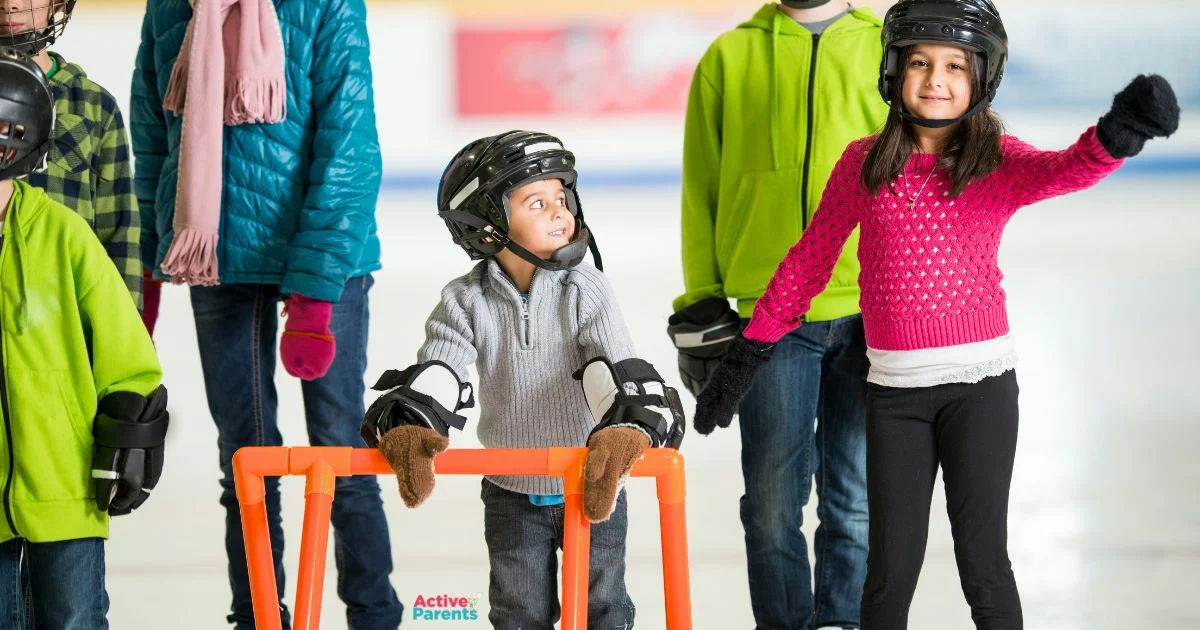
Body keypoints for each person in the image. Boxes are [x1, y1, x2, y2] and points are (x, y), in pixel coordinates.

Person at [694, 1, 1179, 628]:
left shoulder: (995, 159)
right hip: (894, 397)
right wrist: (750, 352)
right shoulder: (864, 162)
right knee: (889, 572)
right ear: (894, 70)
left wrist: (1117, 134)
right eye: (920, 63)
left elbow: (1063, 171)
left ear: (982, 77)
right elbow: (808, 262)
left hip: (980, 393)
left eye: (955, 66)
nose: (935, 80)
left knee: (984, 565)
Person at [130, 0, 403, 626]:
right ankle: (257, 615)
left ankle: (373, 615)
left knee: (340, 449)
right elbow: (152, 141)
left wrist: (313, 295)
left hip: (326, 257)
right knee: (245, 458)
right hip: (216, 255)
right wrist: (147, 268)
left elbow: (350, 150)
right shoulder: (170, 7)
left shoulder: (328, 6)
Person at [361, 131, 685, 629]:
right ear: (488, 225)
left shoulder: (586, 289)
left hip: (591, 479)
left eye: (562, 198)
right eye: (538, 203)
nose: (560, 212)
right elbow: (442, 368)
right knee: (518, 613)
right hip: (510, 491)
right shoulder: (464, 301)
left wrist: (626, 427)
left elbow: (615, 366)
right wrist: (413, 421)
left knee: (603, 607)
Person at [667, 1, 891, 628]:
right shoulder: (729, 57)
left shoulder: (887, 48)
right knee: (770, 506)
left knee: (855, 499)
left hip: (873, 310)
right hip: (769, 316)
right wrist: (702, 295)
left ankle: (842, 621)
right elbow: (701, 186)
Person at [0, 49, 167, 628]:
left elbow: (126, 353)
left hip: (65, 482)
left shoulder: (63, 234)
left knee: (74, 619)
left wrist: (128, 434)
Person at [1, 0, 141, 310]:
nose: (11, 4)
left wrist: (124, 325)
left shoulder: (94, 106)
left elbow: (119, 233)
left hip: (62, 311)